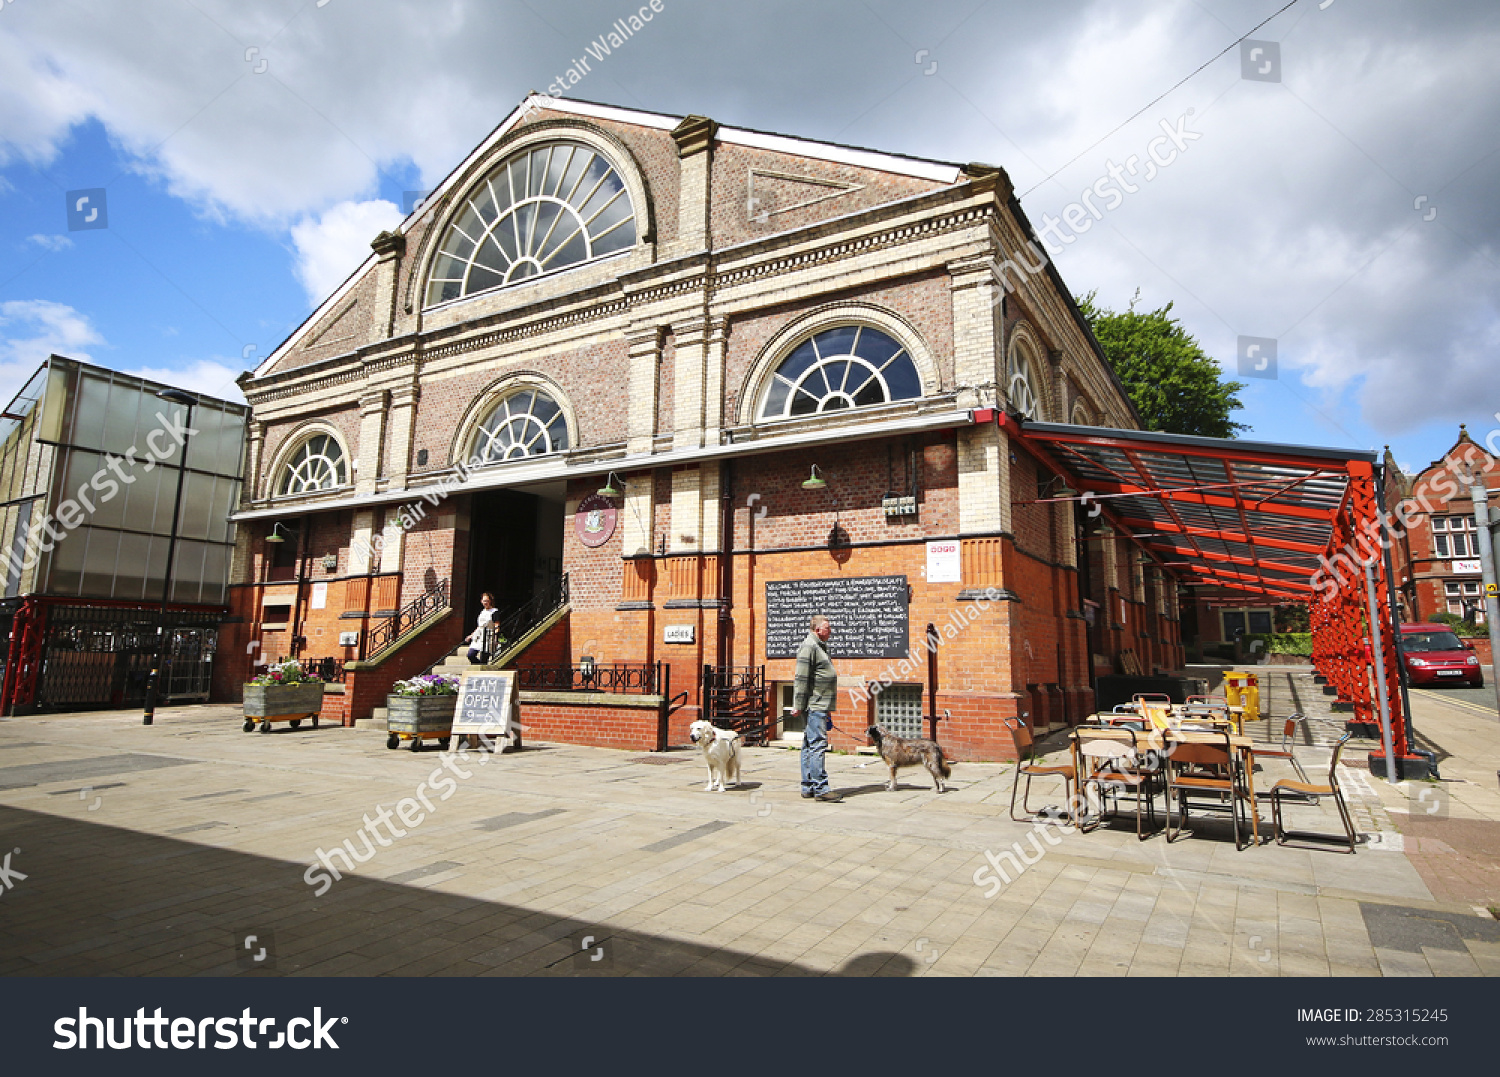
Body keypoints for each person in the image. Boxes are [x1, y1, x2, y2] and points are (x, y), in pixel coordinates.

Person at [793, 614, 842, 802]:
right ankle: (821, 788)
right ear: (817, 629)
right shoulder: (809, 647)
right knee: (817, 745)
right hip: (815, 705)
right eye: (828, 628)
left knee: (809, 744)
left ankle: (808, 786)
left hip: (821, 704)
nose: (830, 631)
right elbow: (801, 678)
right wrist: (798, 705)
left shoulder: (820, 646)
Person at [466, 592, 497, 663]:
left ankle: (481, 669)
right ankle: (478, 667)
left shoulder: (494, 612)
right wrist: (471, 635)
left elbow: (497, 625)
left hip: (488, 636)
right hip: (479, 635)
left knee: (484, 658)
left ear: (490, 601)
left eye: (487, 601)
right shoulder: (482, 612)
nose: (485, 603)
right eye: (484, 601)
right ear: (481, 601)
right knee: (471, 655)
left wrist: (495, 638)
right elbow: (480, 626)